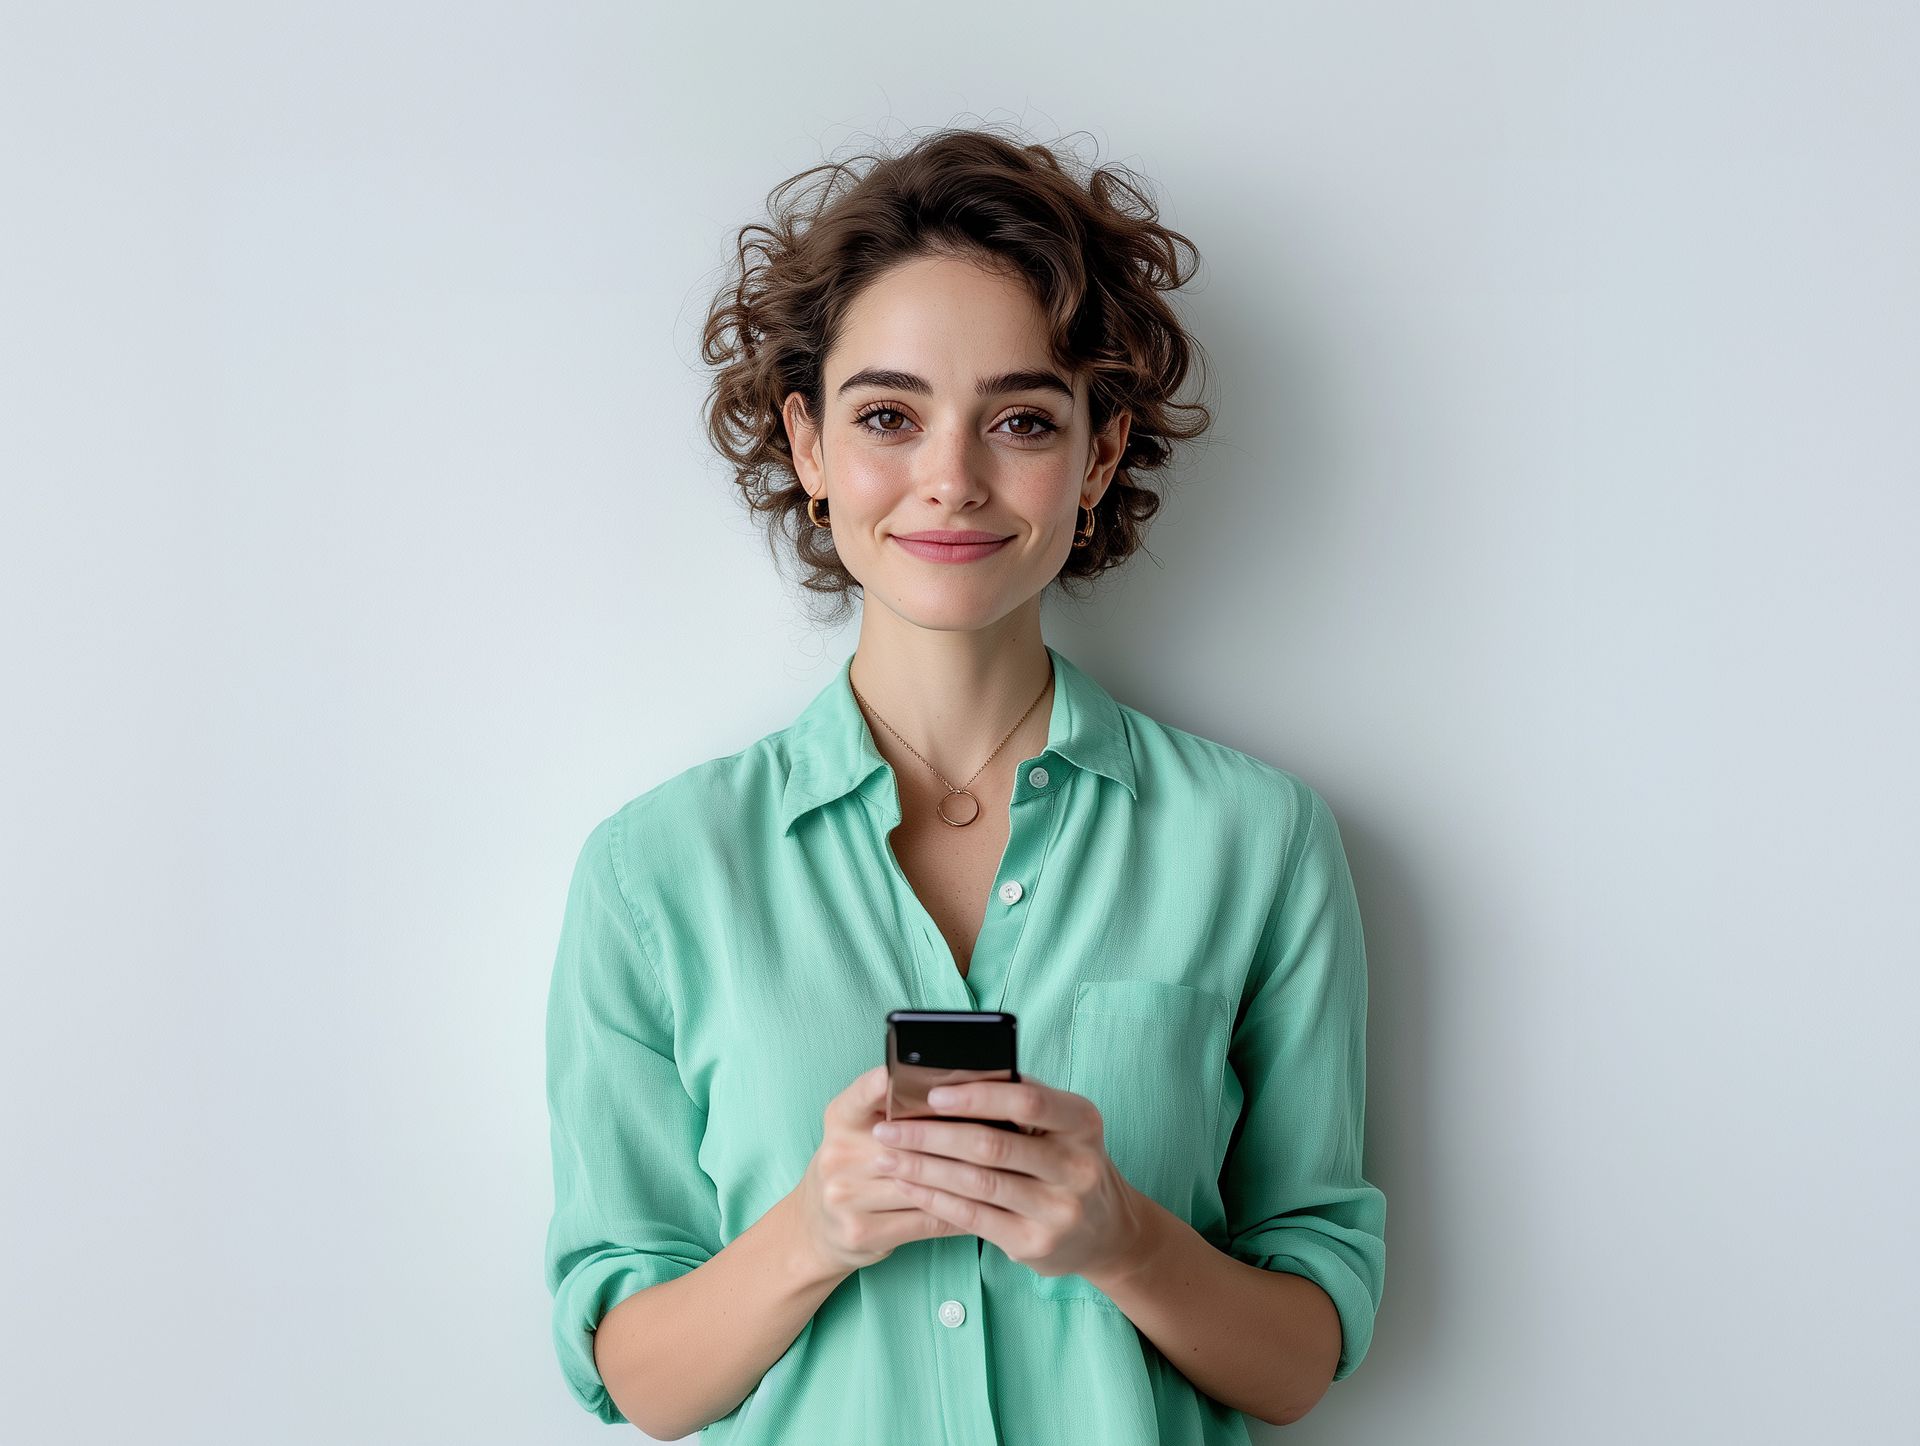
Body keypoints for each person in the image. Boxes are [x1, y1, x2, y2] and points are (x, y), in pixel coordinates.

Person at [542, 125, 1386, 1444]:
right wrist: (815, 1229)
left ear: (1098, 456)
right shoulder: (656, 871)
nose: (952, 476)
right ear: (810, 448)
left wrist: (1123, 1240)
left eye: (1021, 418)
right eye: (889, 415)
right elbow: (635, 1378)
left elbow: (1299, 1356)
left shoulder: (1257, 842)